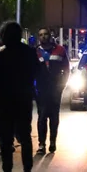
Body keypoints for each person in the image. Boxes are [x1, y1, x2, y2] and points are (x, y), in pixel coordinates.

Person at [0, 22, 39, 172]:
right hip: (23, 100)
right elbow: (38, 74)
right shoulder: (29, 53)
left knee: (6, 139)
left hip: (4, 102)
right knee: (25, 137)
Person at [35, 27, 69, 155]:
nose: (43, 37)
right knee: (42, 117)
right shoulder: (36, 52)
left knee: (54, 117)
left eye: (45, 34)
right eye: (41, 34)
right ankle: (42, 144)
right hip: (41, 90)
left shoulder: (60, 50)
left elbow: (66, 69)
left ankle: (53, 141)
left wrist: (62, 85)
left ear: (50, 35)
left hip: (55, 89)